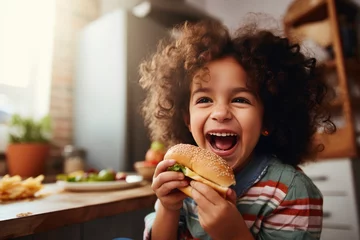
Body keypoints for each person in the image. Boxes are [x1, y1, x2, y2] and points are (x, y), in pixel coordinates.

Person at [138, 18, 335, 240]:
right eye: (204, 99)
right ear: (187, 118)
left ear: (267, 120)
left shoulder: (291, 192)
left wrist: (232, 234)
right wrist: (168, 208)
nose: (220, 113)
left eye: (240, 99)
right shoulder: (182, 177)